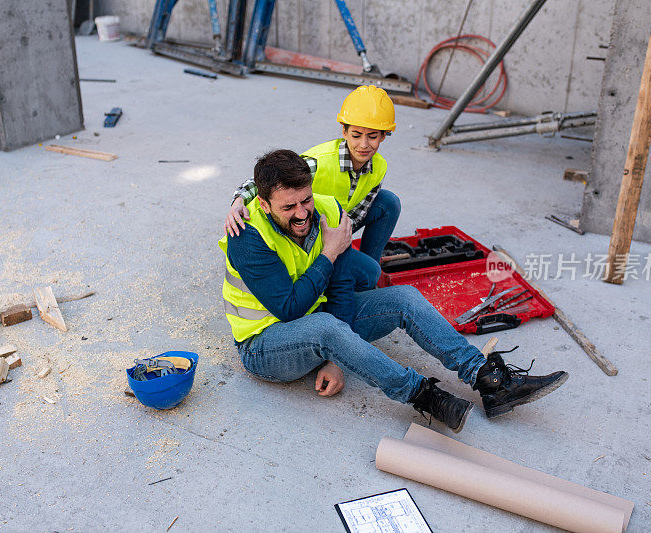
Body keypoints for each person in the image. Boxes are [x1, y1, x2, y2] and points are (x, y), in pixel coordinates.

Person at [218, 150, 568, 432]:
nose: (301, 213)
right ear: (264, 205)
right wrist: (330, 251)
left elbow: (340, 287)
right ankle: (424, 396)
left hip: (320, 320)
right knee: (326, 328)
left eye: (305, 200)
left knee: (403, 298)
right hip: (265, 344)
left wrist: (335, 359)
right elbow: (291, 309)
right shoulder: (247, 238)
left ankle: (487, 379)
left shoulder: (326, 209)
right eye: (288, 207)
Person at [224, 85, 401, 291]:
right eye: (356, 135)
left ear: (383, 136)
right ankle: (352, 275)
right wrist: (238, 201)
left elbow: (356, 215)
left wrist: (339, 241)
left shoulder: (378, 167)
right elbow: (267, 177)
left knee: (388, 203)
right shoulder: (319, 162)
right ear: (344, 132)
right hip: (302, 229)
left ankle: (364, 276)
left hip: (331, 225)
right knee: (369, 272)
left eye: (372, 136)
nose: (363, 144)